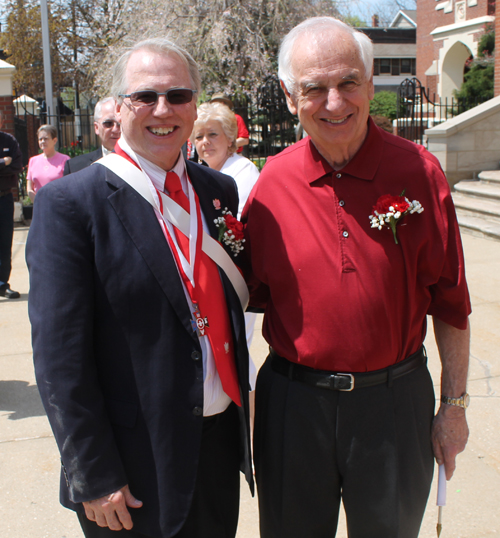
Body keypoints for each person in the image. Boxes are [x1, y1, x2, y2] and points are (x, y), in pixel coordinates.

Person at [242, 17, 471, 538]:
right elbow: (240, 295)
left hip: (394, 405)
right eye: (314, 89)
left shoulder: (419, 173)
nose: (334, 103)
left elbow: (452, 303)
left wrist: (453, 406)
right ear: (288, 94)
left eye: (348, 83)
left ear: (371, 85)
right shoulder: (272, 182)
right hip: (293, 407)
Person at [27, 37, 252, 538]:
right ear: (120, 107)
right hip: (131, 468)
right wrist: (94, 474)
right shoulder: (71, 204)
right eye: (145, 96)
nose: (162, 109)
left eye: (178, 95)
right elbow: (59, 358)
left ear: (194, 105)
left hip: (215, 452)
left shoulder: (218, 191)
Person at [191, 101, 260, 385]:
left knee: (235, 354)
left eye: (213, 134)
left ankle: (252, 426)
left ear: (231, 138)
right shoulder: (195, 171)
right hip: (204, 282)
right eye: (198, 136)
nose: (204, 142)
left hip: (233, 278)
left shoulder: (243, 172)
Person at [63, 97, 121, 175]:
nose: (116, 129)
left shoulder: (141, 164)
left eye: (120, 123)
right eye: (108, 123)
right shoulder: (75, 168)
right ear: (96, 128)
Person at [0, 110, 23, 299]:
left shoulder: (9, 141)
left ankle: (2, 284)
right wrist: (2, 163)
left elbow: (17, 166)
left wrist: (9, 164)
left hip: (4, 198)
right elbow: (8, 166)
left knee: (5, 242)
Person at [26, 124, 70, 201]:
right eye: (40, 139)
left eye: (46, 138)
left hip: (59, 203)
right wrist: (35, 200)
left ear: (54, 140)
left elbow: (69, 185)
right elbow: (29, 187)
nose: (42, 141)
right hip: (39, 205)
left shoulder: (65, 159)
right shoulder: (33, 161)